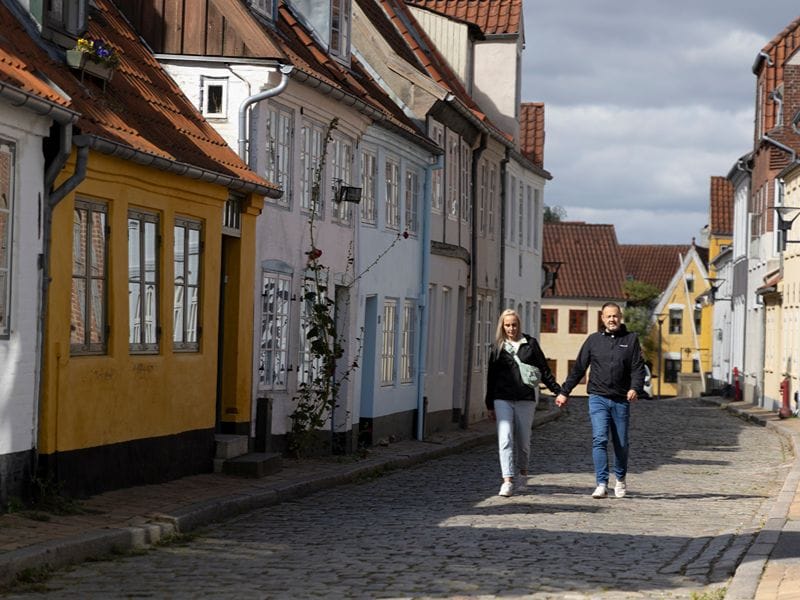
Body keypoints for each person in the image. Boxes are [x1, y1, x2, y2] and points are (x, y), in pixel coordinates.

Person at [555, 302, 646, 499]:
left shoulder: (631, 340)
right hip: (598, 397)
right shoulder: (593, 340)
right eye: (608, 316)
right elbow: (579, 368)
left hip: (621, 399)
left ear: (620, 317)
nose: (612, 319)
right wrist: (565, 392)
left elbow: (637, 368)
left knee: (621, 442)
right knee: (600, 438)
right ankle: (601, 483)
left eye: (615, 316)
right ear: (602, 319)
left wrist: (634, 388)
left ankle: (620, 480)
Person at [485, 309, 561, 497]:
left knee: (523, 440)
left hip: (525, 398)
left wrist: (558, 391)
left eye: (514, 324)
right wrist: (489, 404)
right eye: (507, 325)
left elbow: (543, 369)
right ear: (502, 326)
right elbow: (491, 377)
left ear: (519, 325)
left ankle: (523, 474)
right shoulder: (497, 348)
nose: (511, 328)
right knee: (505, 439)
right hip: (502, 398)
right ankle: (508, 480)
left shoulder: (530, 344)